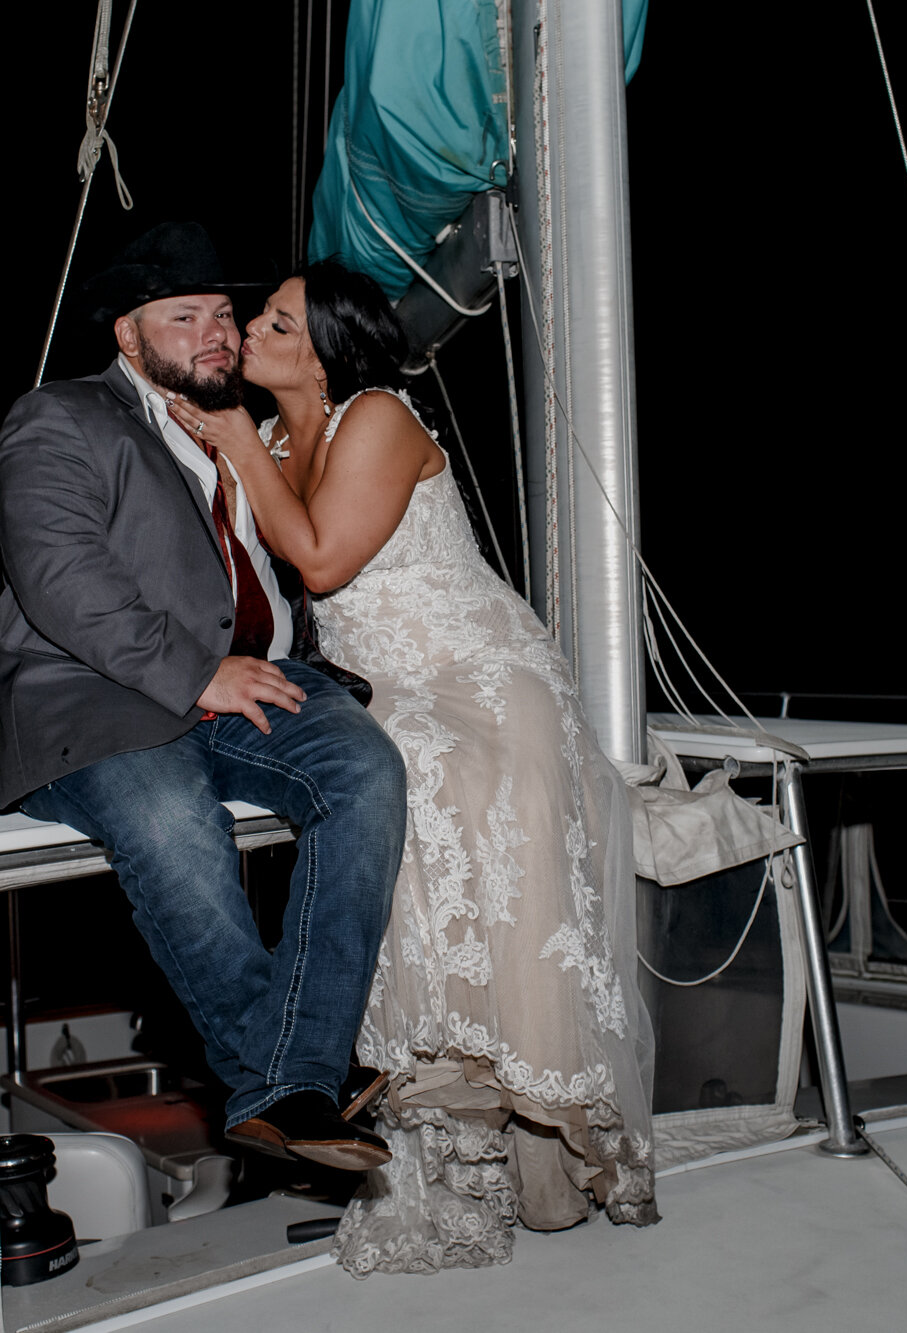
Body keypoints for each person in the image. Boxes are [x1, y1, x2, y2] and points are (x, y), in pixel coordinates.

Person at [171, 259, 657, 1275]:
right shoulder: (262, 436)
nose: (250, 329)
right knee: (384, 790)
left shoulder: (380, 416)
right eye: (260, 317)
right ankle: (442, 1150)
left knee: (442, 808)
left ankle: (518, 1149)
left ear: (325, 347)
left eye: (274, 321)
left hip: (477, 678)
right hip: (379, 688)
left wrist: (226, 444)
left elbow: (317, 560)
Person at [0, 223, 408, 1171]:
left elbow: (294, 562)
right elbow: (60, 574)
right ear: (129, 337)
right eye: (186, 317)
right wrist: (195, 672)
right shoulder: (61, 416)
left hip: (260, 683)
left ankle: (291, 1075)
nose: (217, 333)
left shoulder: (246, 430)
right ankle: (294, 1079)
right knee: (171, 819)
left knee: (366, 770)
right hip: (101, 696)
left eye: (223, 314)